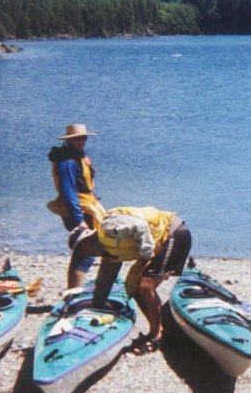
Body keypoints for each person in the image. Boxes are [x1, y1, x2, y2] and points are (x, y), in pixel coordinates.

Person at [68, 206, 192, 354]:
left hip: (174, 234)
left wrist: (147, 255)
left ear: (88, 240)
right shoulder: (109, 254)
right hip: (159, 244)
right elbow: (104, 283)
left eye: (83, 249)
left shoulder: (108, 227)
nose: (86, 254)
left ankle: (156, 336)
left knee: (146, 286)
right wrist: (96, 309)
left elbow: (140, 226)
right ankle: (160, 329)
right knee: (135, 290)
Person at [47, 124, 107, 287]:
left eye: (84, 138)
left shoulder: (78, 157)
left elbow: (84, 184)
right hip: (80, 210)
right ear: (69, 140)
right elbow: (69, 192)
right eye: (77, 139)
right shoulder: (68, 162)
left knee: (89, 250)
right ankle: (74, 292)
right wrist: (78, 219)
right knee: (86, 251)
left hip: (88, 206)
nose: (81, 141)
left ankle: (77, 290)